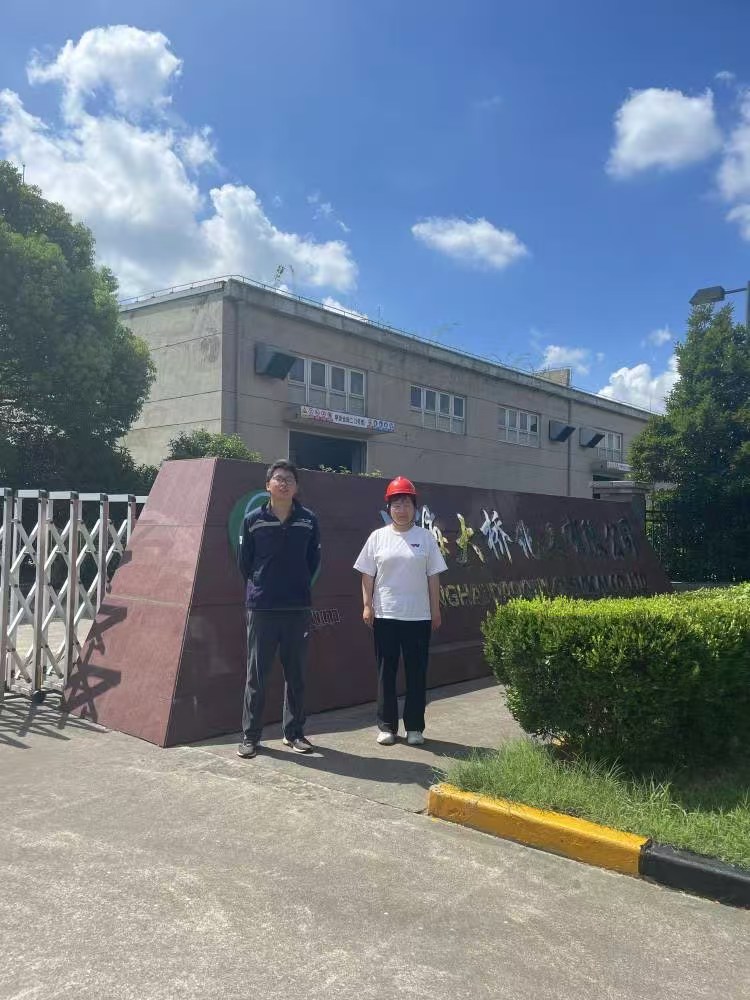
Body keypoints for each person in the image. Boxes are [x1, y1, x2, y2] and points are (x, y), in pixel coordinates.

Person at [354, 476, 447, 746]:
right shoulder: (378, 537)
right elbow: (367, 575)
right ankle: (387, 726)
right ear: (389, 508)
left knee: (417, 673)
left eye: (406, 503)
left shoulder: (425, 538)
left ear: (414, 507)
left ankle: (415, 727)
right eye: (396, 504)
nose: (401, 509)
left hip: (418, 617)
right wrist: (367, 605)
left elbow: (433, 577)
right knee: (387, 672)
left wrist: (435, 610)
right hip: (386, 615)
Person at [236, 460, 321, 759]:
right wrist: (262, 584)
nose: (283, 483)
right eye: (278, 478)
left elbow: (313, 561)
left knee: (296, 675)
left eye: (289, 479)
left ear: (296, 487)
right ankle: (250, 737)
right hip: (262, 607)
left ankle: (294, 733)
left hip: (297, 607)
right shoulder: (253, 520)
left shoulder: (308, 520)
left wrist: (297, 584)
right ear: (268, 486)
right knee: (256, 676)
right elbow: (245, 562)